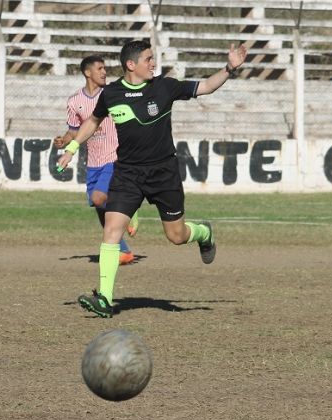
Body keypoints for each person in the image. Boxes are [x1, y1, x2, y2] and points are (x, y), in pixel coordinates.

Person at [58, 39, 247, 318]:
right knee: (111, 230)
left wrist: (229, 68)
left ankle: (204, 232)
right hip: (127, 173)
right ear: (131, 65)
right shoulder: (111, 93)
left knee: (176, 235)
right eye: (148, 59)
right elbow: (94, 121)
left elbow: (205, 87)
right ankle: (105, 300)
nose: (154, 63)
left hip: (163, 173)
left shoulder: (164, 86)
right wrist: (72, 148)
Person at [55, 55, 139, 266]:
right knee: (97, 202)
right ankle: (123, 250)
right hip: (94, 161)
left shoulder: (112, 94)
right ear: (87, 72)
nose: (104, 72)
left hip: (115, 157)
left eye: (105, 68)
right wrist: (63, 141)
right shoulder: (74, 102)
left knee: (101, 198)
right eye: (100, 68)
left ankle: (130, 210)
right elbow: (75, 132)